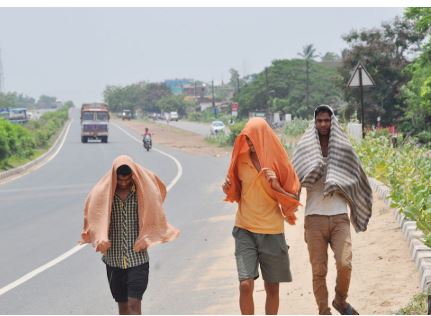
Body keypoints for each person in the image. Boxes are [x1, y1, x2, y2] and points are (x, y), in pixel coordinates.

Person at [292, 105, 373, 315]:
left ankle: (340, 300)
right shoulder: (305, 147)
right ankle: (323, 310)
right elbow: (293, 177)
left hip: (339, 216)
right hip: (314, 218)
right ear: (314, 122)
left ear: (332, 121)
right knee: (319, 271)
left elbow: (356, 175)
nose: (323, 124)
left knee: (345, 263)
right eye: (319, 120)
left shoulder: (343, 147)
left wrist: (341, 183)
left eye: (327, 120)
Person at [80, 155, 180, 315]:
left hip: (138, 259)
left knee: (134, 304)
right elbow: (93, 213)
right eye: (120, 180)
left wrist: (149, 234)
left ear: (133, 175)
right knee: (123, 307)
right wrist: (99, 237)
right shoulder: (104, 195)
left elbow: (156, 202)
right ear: (114, 178)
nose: (124, 183)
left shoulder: (143, 192)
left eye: (127, 179)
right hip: (113, 261)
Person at [222, 117, 301, 315]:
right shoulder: (240, 160)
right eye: (247, 140)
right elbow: (236, 191)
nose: (250, 144)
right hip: (244, 229)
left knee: (272, 288)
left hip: (272, 231)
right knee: (245, 285)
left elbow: (294, 196)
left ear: (263, 138)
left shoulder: (279, 161)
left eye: (253, 140)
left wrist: (276, 186)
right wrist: (227, 188)